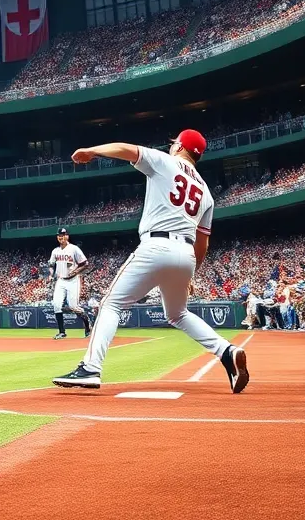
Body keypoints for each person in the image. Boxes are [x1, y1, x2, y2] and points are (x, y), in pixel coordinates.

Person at [52, 130, 248, 392]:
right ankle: (226, 351)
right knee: (178, 314)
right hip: (187, 253)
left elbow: (126, 148)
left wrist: (93, 150)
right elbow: (204, 244)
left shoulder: (165, 161)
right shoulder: (206, 192)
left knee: (111, 304)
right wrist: (191, 275)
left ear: (179, 145)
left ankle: (90, 368)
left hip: (156, 245)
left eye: (173, 143)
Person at [47, 228, 92, 339]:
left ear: (67, 236)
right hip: (61, 280)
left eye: (63, 235)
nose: (61, 237)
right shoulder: (55, 251)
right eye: (59, 235)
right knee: (56, 305)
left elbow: (85, 264)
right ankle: (62, 332)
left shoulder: (74, 249)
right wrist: (50, 274)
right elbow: (51, 265)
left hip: (73, 281)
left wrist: (75, 271)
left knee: (73, 306)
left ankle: (87, 325)